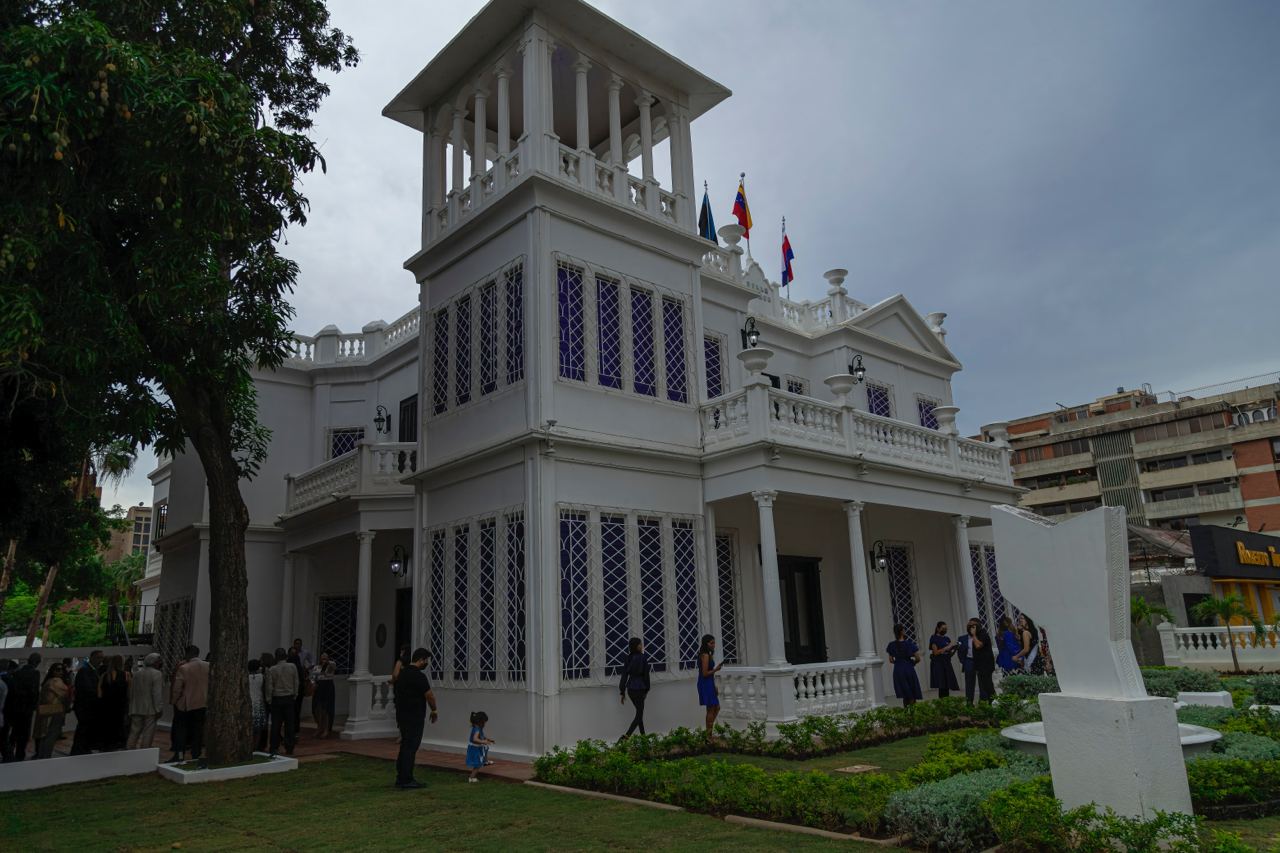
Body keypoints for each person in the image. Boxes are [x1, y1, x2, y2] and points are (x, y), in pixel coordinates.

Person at [391, 647, 437, 789]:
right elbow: (429, 695)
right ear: (421, 659)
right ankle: (406, 779)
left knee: (405, 746)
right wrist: (434, 709)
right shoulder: (418, 676)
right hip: (414, 716)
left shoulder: (403, 674)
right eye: (426, 660)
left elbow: (394, 679)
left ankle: (401, 776)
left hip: (402, 716)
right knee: (411, 747)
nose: (426, 663)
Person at [171, 645, 210, 763]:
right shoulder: (208, 666)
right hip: (203, 703)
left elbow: (177, 688)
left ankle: (180, 754)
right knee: (198, 730)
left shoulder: (184, 668)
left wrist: (174, 701)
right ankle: (196, 754)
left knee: (181, 730)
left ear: (188, 654)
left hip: (186, 704)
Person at [4, 653, 41, 761]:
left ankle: (9, 753)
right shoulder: (35, 673)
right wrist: (34, 705)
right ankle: (19, 755)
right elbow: (34, 692)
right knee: (23, 734)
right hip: (26, 709)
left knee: (14, 732)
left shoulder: (17, 672)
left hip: (15, 707)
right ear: (37, 662)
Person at [127, 653, 164, 750]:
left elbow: (131, 691)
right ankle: (144, 751)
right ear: (155, 662)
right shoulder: (157, 674)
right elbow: (156, 693)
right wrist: (159, 708)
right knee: (148, 733)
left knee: (134, 732)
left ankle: (129, 750)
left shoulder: (137, 673)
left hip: (136, 707)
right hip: (150, 708)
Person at [266, 648, 299, 757]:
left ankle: (274, 747)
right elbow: (296, 682)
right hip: (289, 698)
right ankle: (289, 747)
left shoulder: (272, 669)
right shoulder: (292, 667)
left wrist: (269, 700)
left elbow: (269, 687)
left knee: (276, 724)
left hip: (277, 698)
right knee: (289, 724)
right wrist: (295, 694)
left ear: (276, 657)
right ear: (285, 656)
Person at [34, 662, 70, 759]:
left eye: (62, 669)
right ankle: (45, 757)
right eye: (57, 670)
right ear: (52, 671)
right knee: (50, 736)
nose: (60, 672)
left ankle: (42, 756)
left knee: (45, 736)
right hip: (54, 712)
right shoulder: (56, 681)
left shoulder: (48, 681)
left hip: (47, 712)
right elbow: (65, 693)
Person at [70, 650, 103, 755]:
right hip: (84, 706)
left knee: (86, 729)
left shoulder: (93, 670)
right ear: (92, 657)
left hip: (89, 706)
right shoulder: (85, 670)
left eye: (101, 658)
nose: (100, 660)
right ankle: (78, 750)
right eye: (98, 657)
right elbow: (86, 689)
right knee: (83, 729)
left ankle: (83, 748)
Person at [618, 637, 651, 739]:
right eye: (640, 644)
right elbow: (646, 675)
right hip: (640, 689)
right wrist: (647, 689)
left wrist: (622, 691)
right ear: (637, 646)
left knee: (639, 713)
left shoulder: (628, 658)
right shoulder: (643, 657)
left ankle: (643, 738)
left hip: (630, 689)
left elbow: (624, 675)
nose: (642, 646)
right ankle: (627, 736)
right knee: (639, 715)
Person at [98, 654, 131, 751]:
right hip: (120, 706)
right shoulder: (126, 674)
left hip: (106, 705)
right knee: (119, 725)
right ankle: (116, 745)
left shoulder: (105, 675)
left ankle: (106, 745)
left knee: (107, 726)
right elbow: (129, 692)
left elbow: (99, 692)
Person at [887, 624, 923, 707]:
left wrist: (898, 662)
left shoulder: (891, 645)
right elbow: (918, 658)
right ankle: (912, 714)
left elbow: (891, 660)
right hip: (908, 668)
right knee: (912, 692)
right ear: (902, 631)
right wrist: (912, 663)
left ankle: (906, 713)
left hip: (898, 669)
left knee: (905, 693)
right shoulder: (909, 644)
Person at [696, 635, 722, 735]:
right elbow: (705, 673)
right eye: (711, 643)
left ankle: (708, 732)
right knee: (712, 708)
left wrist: (714, 685)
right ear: (706, 644)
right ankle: (708, 735)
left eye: (714, 643)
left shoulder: (707, 654)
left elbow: (709, 674)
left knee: (715, 707)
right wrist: (716, 669)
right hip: (705, 683)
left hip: (709, 683)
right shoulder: (705, 655)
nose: (713, 645)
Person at [928, 622, 960, 699]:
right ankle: (942, 702)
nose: (944, 630)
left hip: (947, 663)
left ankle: (947, 701)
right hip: (939, 663)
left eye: (946, 629)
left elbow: (949, 653)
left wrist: (955, 648)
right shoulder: (934, 638)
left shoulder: (947, 638)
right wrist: (947, 647)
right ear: (938, 628)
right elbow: (935, 652)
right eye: (943, 629)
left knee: (947, 684)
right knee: (942, 685)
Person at [968, 618, 996, 702]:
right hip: (980, 666)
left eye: (973, 626)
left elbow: (978, 646)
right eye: (970, 626)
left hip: (986, 665)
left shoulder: (983, 634)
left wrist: (973, 635)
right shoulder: (977, 635)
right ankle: (991, 703)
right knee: (984, 686)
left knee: (988, 686)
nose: (971, 628)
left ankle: (994, 703)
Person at [310, 652, 337, 739]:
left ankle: (326, 729)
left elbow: (331, 669)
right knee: (317, 708)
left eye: (326, 657)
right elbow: (312, 677)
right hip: (319, 688)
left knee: (326, 709)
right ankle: (319, 727)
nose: (324, 659)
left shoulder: (331, 665)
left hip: (328, 687)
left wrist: (327, 663)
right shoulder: (316, 667)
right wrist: (313, 683)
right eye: (322, 657)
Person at [465, 711, 495, 782]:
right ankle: (472, 777)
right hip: (475, 749)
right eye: (484, 722)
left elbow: (481, 736)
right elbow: (475, 739)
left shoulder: (478, 728)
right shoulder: (477, 729)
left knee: (486, 749)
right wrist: (484, 742)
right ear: (480, 722)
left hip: (476, 748)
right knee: (477, 764)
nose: (485, 724)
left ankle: (485, 761)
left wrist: (487, 739)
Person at [288, 649, 310, 739]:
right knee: (296, 712)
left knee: (292, 713)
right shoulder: (298, 668)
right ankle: (294, 731)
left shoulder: (292, 668)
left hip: (292, 694)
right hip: (297, 693)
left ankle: (292, 731)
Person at [248, 659, 268, 752]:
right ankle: (256, 746)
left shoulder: (245, 677)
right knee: (258, 727)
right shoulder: (261, 677)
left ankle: (249, 746)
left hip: (249, 703)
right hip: (259, 703)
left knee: (250, 726)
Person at [0, 660, 15, 761]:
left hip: (3, 715)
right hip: (5, 715)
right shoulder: (7, 682)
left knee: (3, 740)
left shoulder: (3, 683)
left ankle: (9, 759)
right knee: (3, 739)